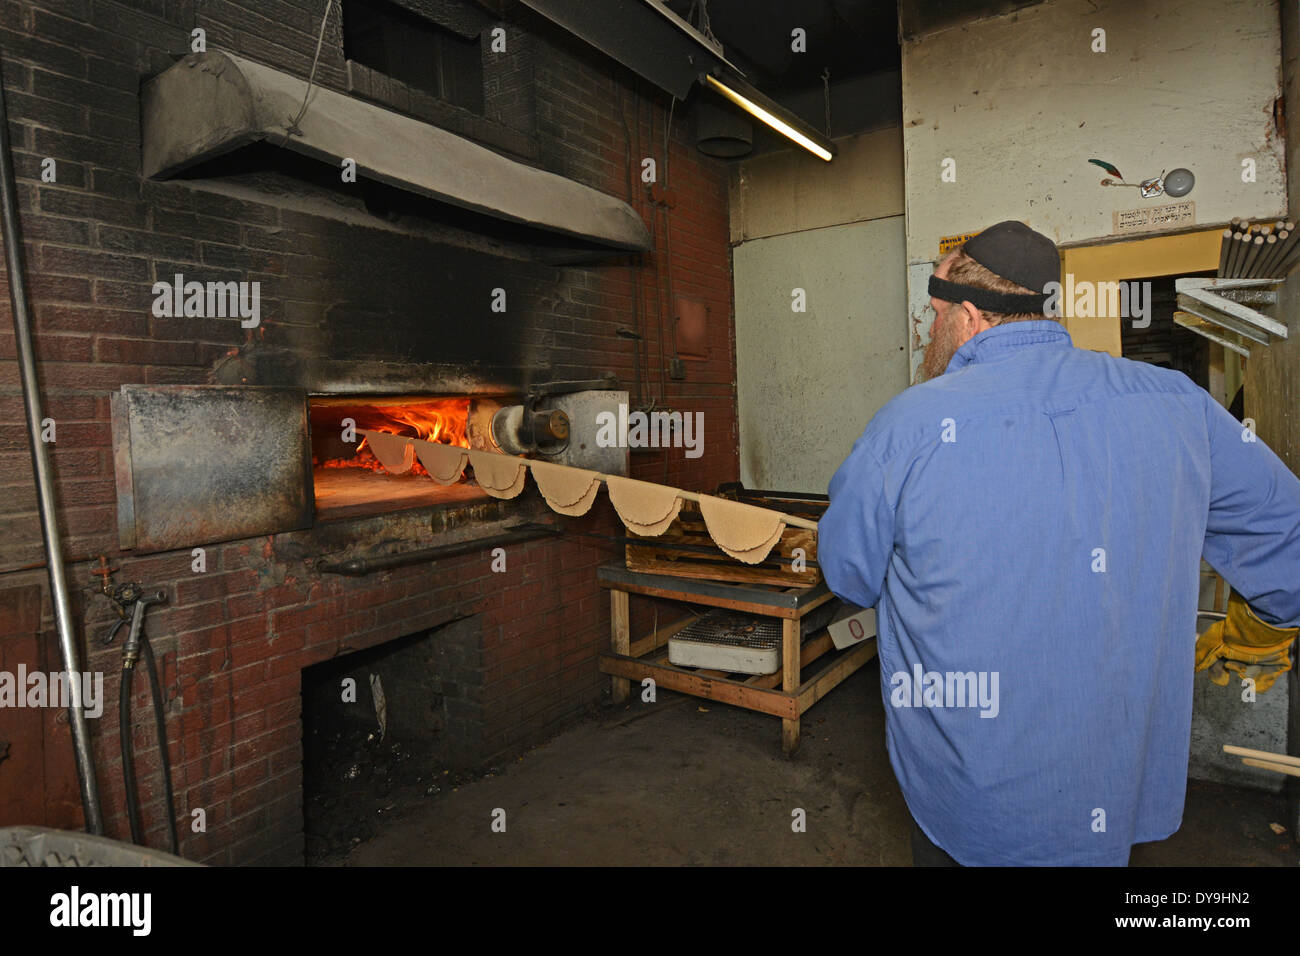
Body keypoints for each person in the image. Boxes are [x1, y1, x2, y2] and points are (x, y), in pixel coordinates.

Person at [818, 220, 1300, 866]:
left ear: (967, 315)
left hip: (969, 796)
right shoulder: (1177, 404)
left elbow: (848, 574)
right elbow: (1288, 545)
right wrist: (1258, 629)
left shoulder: (909, 427)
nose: (929, 335)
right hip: (1113, 789)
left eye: (933, 316)